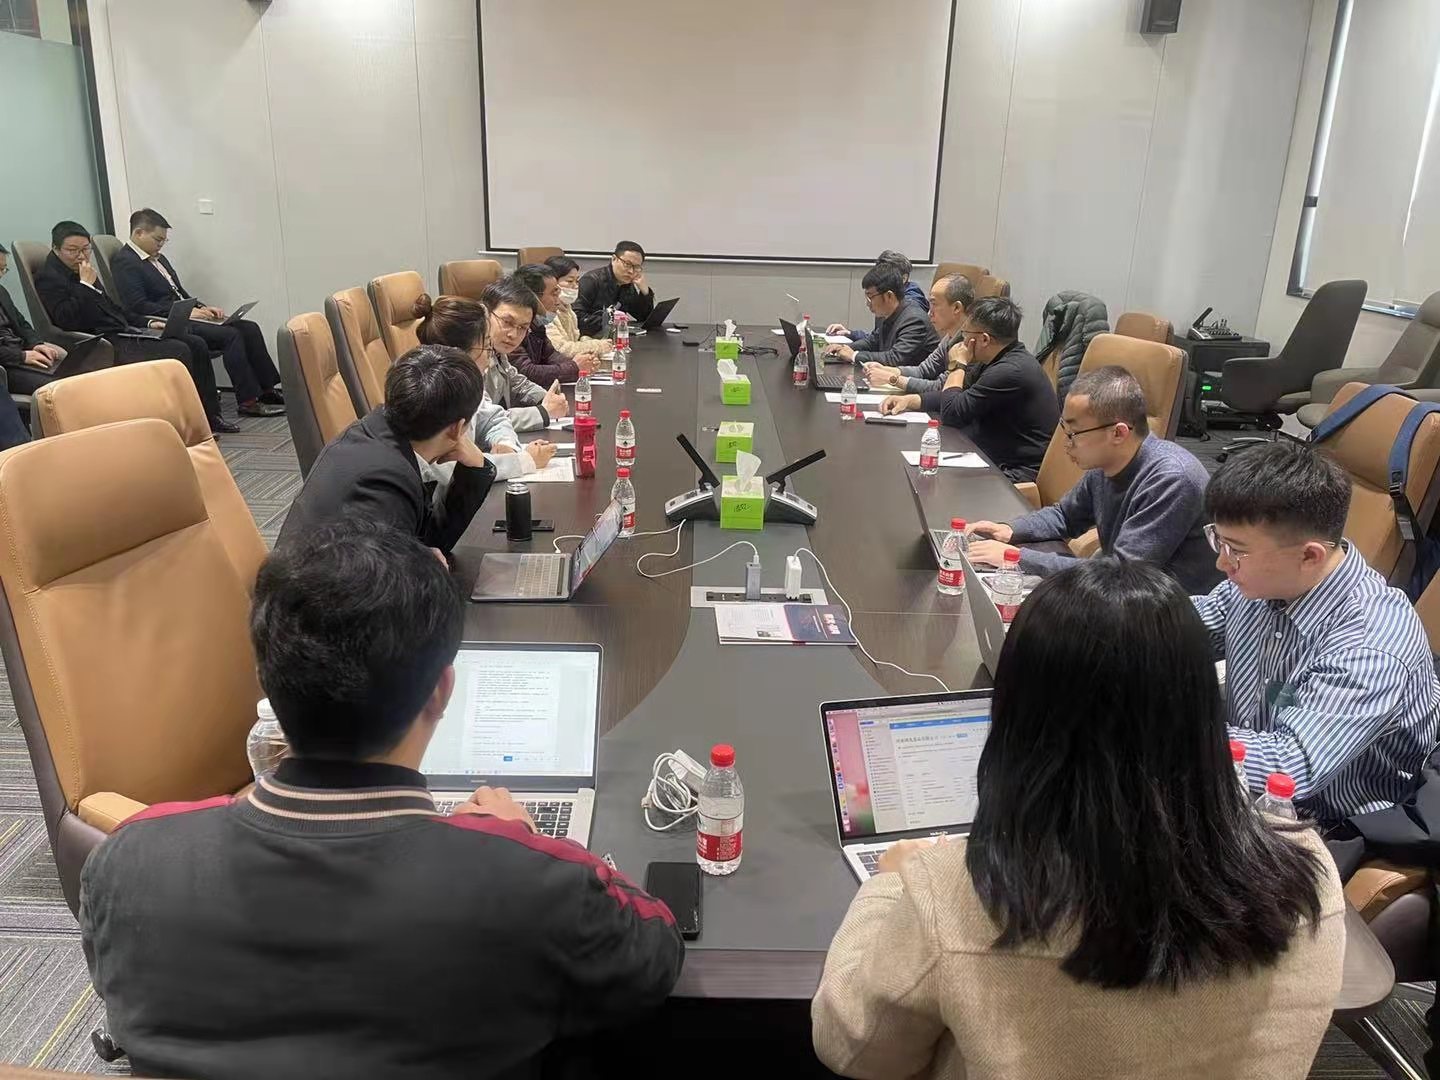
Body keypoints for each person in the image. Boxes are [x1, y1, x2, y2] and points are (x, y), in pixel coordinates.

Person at [80, 521, 684, 1079]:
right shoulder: (530, 885)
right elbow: (656, 952)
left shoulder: (126, 860)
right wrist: (522, 842)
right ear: (441, 691)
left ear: (266, 682)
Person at [812, 558, 1344, 1080]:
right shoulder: (1310, 876)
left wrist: (888, 885)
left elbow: (853, 1049)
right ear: (1202, 706)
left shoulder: (959, 893)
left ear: (1017, 714)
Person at [1196, 439, 1440, 824]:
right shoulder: (1264, 582)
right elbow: (1189, 625)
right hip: (1242, 786)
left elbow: (1291, 765)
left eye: (1236, 550)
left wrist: (1164, 733)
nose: (1222, 563)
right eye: (1219, 541)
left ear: (1310, 555)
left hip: (1327, 823)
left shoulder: (1369, 642)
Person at [965, 366, 1221, 593]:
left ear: (1118, 433)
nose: (1066, 444)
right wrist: (1011, 530)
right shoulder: (1107, 464)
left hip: (1167, 613)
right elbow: (1065, 516)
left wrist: (1018, 558)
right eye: (1064, 430)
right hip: (1125, 593)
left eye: (1074, 433)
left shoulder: (1171, 479)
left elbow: (1122, 574)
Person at [277, 345, 495, 556]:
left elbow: (430, 539)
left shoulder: (374, 433)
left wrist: (475, 468)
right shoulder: (386, 482)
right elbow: (403, 566)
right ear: (457, 428)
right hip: (326, 579)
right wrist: (421, 566)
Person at [34, 221, 236, 433]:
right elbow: (66, 320)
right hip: (101, 341)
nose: (81, 256)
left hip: (121, 330)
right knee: (178, 350)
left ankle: (210, 415)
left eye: (85, 249)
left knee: (195, 343)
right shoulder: (49, 278)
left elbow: (114, 309)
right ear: (56, 249)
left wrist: (147, 322)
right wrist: (85, 286)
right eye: (72, 250)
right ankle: (184, 425)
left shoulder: (83, 271)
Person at [111, 208, 285, 418]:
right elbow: (138, 305)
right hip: (167, 320)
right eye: (158, 239)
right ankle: (248, 401)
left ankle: (267, 390)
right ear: (139, 233)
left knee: (249, 328)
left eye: (164, 240)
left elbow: (179, 292)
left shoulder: (159, 259)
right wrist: (186, 313)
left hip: (186, 313)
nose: (161, 244)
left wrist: (202, 307)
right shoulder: (125, 262)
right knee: (231, 336)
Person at [879, 297, 1057, 482]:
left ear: (984, 339)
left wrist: (958, 364)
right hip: (991, 454)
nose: (962, 341)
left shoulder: (1011, 371)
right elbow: (956, 397)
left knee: (927, 479)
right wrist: (910, 400)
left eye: (965, 334)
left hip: (1015, 471)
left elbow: (951, 413)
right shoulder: (995, 360)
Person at [412, 293, 556, 481]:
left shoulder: (466, 384)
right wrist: (524, 461)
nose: (489, 358)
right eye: (487, 347)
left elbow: (493, 418)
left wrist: (505, 444)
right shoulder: (430, 396)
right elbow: (449, 472)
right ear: (460, 354)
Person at [861, 273, 973, 394]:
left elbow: (942, 388)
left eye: (934, 304)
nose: (929, 313)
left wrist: (892, 379)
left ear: (956, 308)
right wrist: (887, 370)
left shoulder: (971, 343)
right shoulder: (950, 336)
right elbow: (923, 370)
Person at [822, 263, 938, 370]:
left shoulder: (914, 320)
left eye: (870, 297)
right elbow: (873, 341)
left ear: (889, 296)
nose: (867, 303)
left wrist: (854, 356)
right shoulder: (887, 313)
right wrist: (845, 348)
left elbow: (895, 358)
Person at [510, 264, 598, 384]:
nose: (558, 301)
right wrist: (574, 367)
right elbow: (526, 372)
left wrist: (583, 362)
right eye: (554, 294)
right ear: (532, 297)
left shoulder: (536, 324)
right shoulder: (512, 327)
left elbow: (551, 355)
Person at [829, 250, 929, 347]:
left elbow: (895, 350)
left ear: (903, 278)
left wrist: (853, 354)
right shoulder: (883, 297)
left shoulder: (911, 306)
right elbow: (878, 339)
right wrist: (851, 334)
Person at [573, 240, 655, 336]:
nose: (631, 271)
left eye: (636, 267)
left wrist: (645, 292)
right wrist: (611, 321)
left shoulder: (627, 285)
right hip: (589, 337)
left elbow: (642, 317)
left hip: (613, 336)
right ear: (614, 259)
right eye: (627, 264)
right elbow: (576, 316)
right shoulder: (591, 280)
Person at [543, 255, 615, 361]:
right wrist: (597, 345)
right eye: (570, 281)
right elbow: (560, 349)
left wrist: (587, 341)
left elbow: (573, 341)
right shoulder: (546, 312)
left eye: (577, 281)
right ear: (552, 283)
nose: (576, 286)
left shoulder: (568, 309)